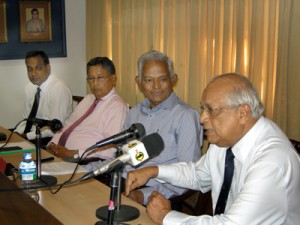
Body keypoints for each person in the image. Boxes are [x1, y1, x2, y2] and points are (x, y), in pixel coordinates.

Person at [125, 73, 300, 225]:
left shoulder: (272, 161)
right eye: (203, 109)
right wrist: (154, 171)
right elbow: (198, 174)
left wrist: (166, 217)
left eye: (212, 110)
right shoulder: (225, 140)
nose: (202, 118)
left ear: (243, 113)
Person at [116, 50, 202, 207]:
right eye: (149, 80)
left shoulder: (185, 116)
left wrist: (143, 195)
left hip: (156, 195)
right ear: (139, 81)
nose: (156, 86)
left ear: (173, 79)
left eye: (163, 79)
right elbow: (123, 155)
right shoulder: (134, 112)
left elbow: (187, 175)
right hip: (121, 182)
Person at [47, 57, 128, 161]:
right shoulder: (88, 98)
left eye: (100, 78)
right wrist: (53, 144)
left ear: (113, 79)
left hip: (82, 161)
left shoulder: (117, 107)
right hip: (59, 154)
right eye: (90, 78)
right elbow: (68, 125)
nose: (94, 83)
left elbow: (110, 149)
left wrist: (73, 154)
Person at [15, 50, 72, 146]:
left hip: (52, 140)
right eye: (29, 69)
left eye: (38, 68)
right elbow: (26, 119)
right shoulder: (30, 87)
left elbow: (55, 129)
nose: (33, 73)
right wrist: (16, 133)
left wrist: (26, 137)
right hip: (31, 135)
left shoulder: (58, 88)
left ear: (48, 68)